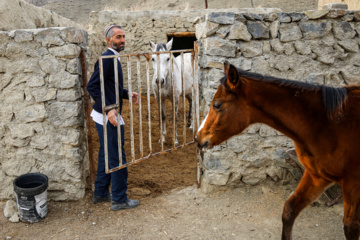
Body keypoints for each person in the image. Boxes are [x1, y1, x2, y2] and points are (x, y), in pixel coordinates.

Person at [86, 25, 139, 211]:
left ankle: (100, 193)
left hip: (106, 114)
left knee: (106, 153)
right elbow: (92, 86)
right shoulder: (107, 58)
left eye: (123, 36)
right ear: (109, 40)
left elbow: (109, 86)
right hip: (107, 116)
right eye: (118, 37)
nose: (122, 40)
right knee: (117, 156)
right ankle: (119, 199)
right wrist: (109, 109)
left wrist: (126, 93)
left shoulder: (113, 57)